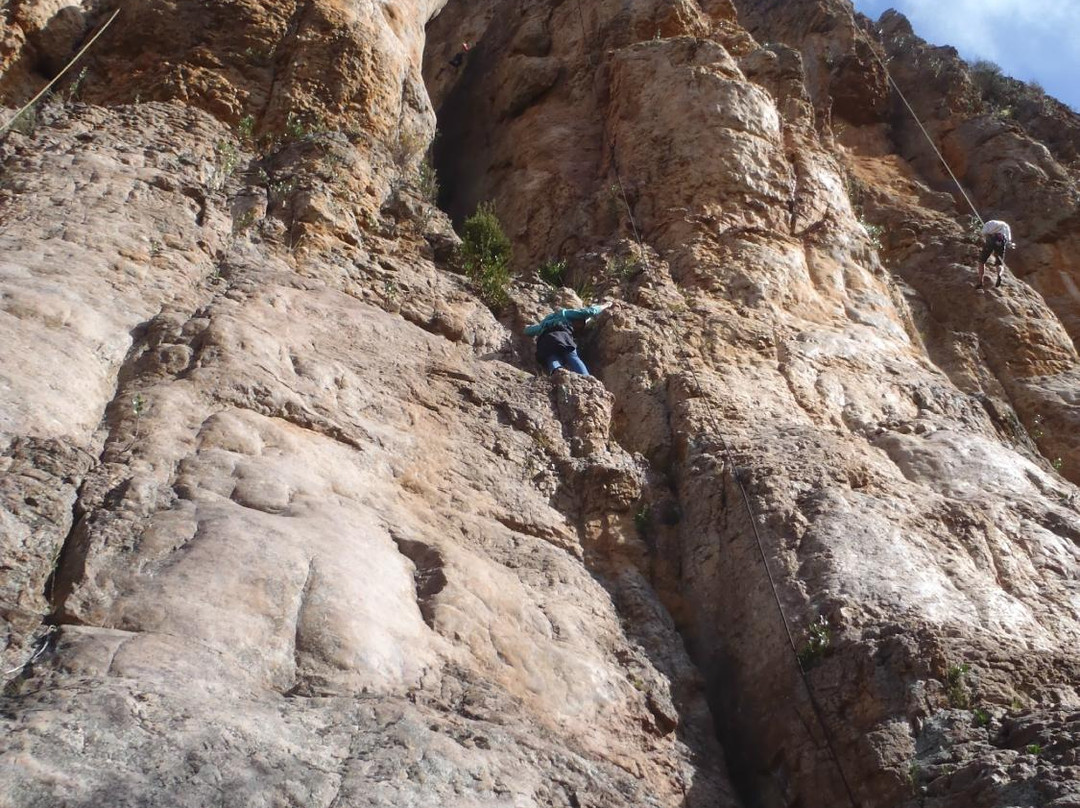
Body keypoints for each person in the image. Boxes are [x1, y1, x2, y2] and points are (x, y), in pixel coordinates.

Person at [525, 303, 611, 376]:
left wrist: (527, 328)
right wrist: (605, 305)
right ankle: (586, 377)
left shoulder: (544, 323)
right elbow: (589, 312)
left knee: (552, 357)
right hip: (561, 335)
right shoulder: (564, 313)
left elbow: (529, 331)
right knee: (572, 356)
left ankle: (557, 372)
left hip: (545, 341)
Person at [978, 219, 1014, 289]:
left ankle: (980, 281)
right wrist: (1011, 245)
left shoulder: (988, 223)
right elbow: (1008, 241)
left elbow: (983, 233)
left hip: (991, 240)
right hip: (1001, 240)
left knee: (981, 261)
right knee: (999, 263)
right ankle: (999, 275)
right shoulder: (1006, 226)